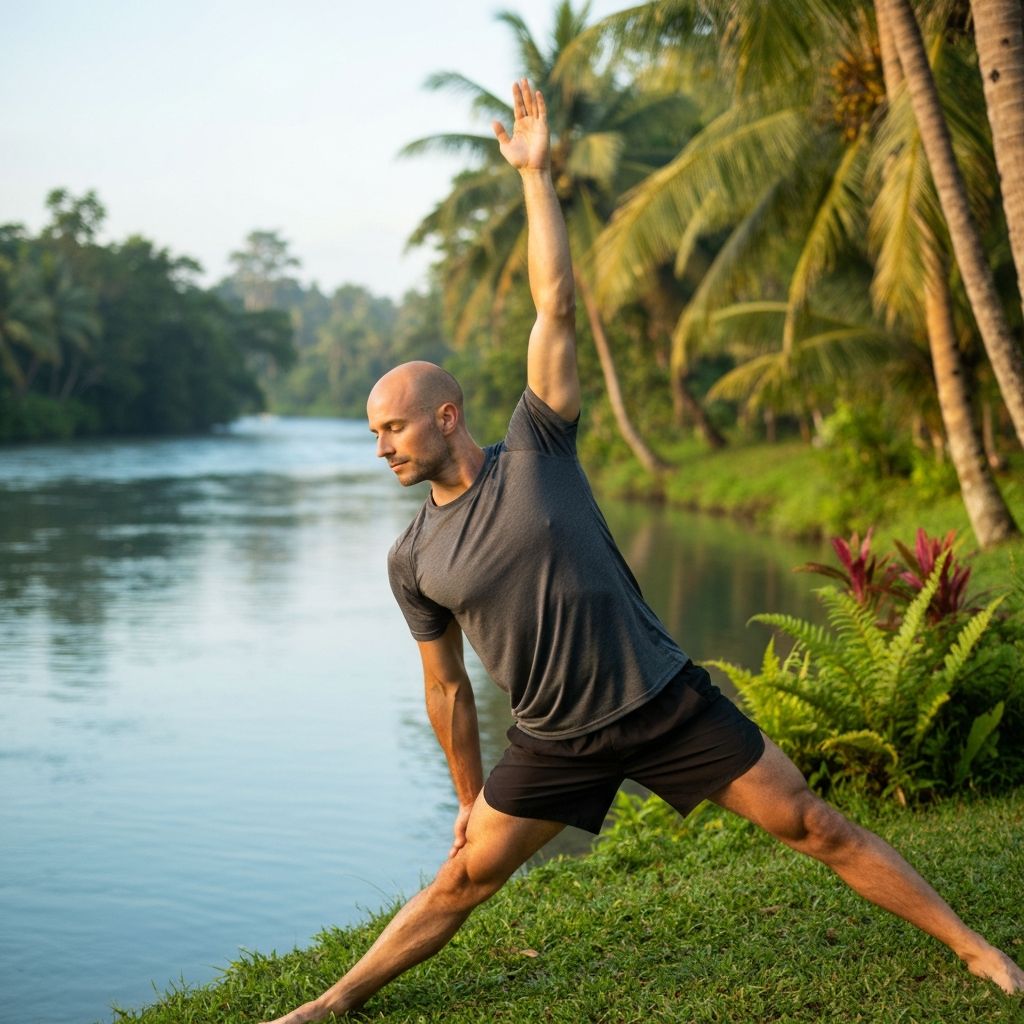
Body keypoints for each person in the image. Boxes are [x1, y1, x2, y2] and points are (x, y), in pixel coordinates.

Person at [259, 79, 1023, 1024]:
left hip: (664, 701)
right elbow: (446, 689)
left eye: (391, 428)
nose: (380, 447)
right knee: (460, 882)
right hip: (552, 739)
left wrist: (535, 178)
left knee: (813, 823)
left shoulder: (537, 448)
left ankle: (978, 951)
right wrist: (467, 797)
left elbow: (555, 305)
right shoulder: (411, 559)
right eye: (374, 434)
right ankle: (330, 1003)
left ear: (445, 415)